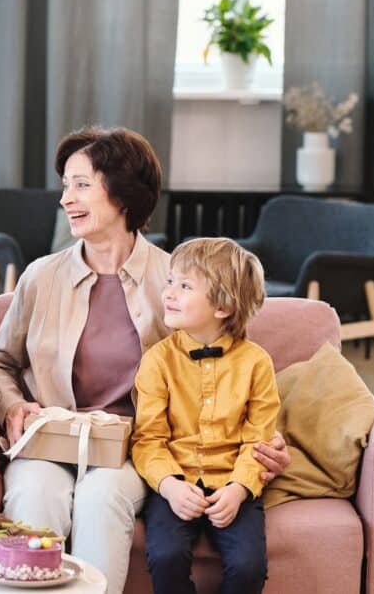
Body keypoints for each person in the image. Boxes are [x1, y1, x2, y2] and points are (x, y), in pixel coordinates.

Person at [0, 126, 291, 592]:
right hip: (49, 440)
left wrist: (264, 443)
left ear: (124, 194)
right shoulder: (41, 277)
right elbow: (0, 362)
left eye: (82, 184)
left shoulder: (176, 281)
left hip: (131, 449)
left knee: (100, 497)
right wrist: (11, 405)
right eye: (65, 185)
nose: (66, 198)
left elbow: (230, 361)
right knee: (33, 492)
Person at [133, 237, 279, 594]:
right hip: (175, 481)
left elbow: (259, 438)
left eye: (185, 286)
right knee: (166, 558)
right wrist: (169, 486)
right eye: (170, 282)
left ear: (224, 306)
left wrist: (240, 489)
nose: (169, 293)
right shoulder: (157, 360)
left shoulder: (256, 362)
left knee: (248, 565)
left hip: (232, 484)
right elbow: (148, 438)